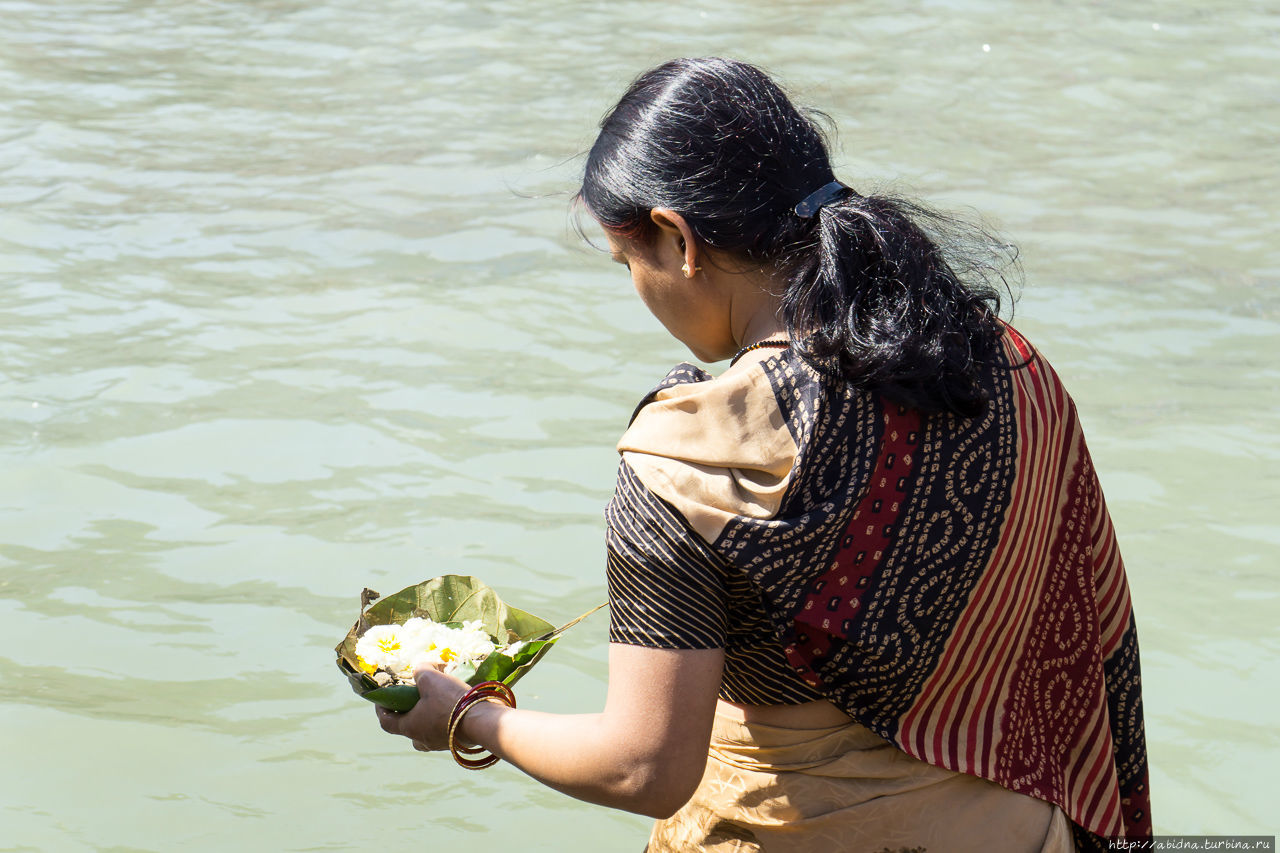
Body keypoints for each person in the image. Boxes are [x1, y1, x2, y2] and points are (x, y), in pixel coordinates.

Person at [376, 57, 1151, 852]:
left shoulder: (689, 461)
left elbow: (646, 767)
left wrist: (472, 716)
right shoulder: (1008, 366)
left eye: (629, 263)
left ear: (677, 239)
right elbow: (1079, 632)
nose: (639, 290)